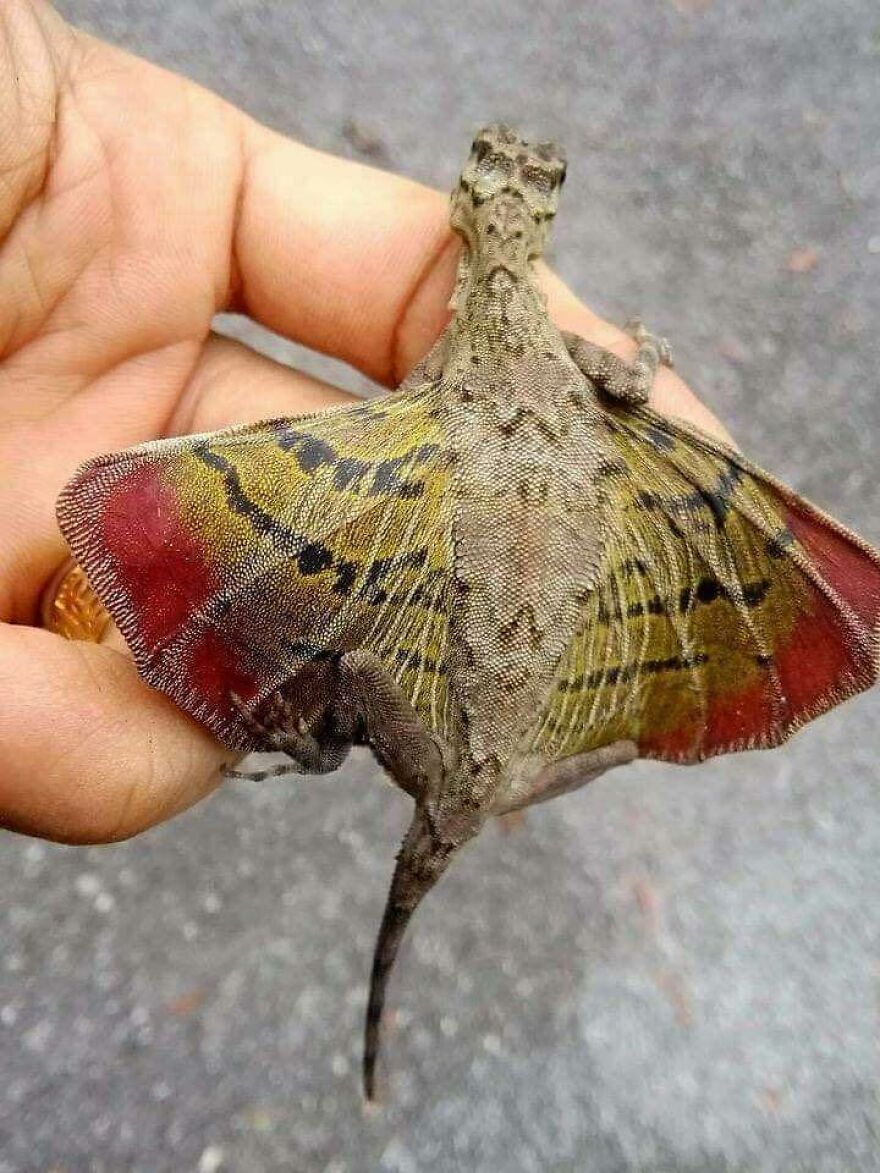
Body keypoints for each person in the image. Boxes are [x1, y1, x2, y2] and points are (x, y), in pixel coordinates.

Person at [0, 1, 728, 844]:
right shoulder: (565, 352)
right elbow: (633, 384)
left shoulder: (450, 356)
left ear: (466, 200)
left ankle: (338, 748)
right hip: (508, 727)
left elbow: (413, 412)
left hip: (455, 732)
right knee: (458, 707)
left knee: (364, 664)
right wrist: (643, 353)